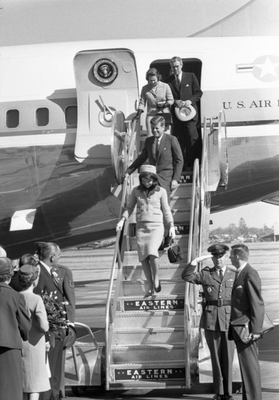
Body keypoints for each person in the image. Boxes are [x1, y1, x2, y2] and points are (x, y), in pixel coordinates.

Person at [181, 244, 236, 400]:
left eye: (221, 256)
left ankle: (229, 392)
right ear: (211, 258)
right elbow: (186, 277)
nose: (218, 259)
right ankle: (219, 392)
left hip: (229, 319)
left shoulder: (234, 274)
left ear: (226, 256)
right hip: (212, 320)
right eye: (215, 257)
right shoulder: (206, 274)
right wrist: (196, 261)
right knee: (216, 358)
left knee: (228, 357)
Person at [117, 165, 176, 297]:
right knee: (143, 258)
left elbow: (166, 209)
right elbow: (130, 207)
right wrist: (122, 220)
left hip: (156, 226)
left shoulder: (161, 191)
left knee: (152, 252)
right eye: (144, 181)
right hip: (142, 227)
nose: (146, 183)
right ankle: (150, 285)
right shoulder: (136, 191)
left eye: (149, 181)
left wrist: (171, 225)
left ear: (154, 179)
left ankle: (156, 278)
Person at [124, 115, 183, 247]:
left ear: (163, 128)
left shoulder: (171, 140)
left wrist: (175, 179)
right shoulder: (149, 141)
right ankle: (156, 237)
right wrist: (129, 171)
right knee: (152, 208)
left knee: (165, 207)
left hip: (166, 178)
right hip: (152, 178)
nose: (154, 131)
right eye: (152, 128)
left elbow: (179, 160)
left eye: (156, 128)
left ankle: (167, 236)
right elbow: (142, 157)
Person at [33, 242, 75, 400]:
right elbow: (40, 301)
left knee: (56, 367)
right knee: (51, 367)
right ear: (52, 257)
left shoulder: (49, 271)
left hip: (56, 328)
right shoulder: (39, 272)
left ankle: (54, 395)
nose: (59, 258)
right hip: (49, 330)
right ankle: (52, 396)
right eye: (58, 255)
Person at [229, 244, 264, 400]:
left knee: (250, 368)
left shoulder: (250, 274)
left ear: (237, 256)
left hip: (247, 329)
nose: (229, 258)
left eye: (231, 255)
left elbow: (257, 303)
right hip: (240, 328)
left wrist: (256, 331)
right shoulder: (241, 273)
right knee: (246, 367)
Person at [0, 257, 31, 400]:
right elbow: (25, 326)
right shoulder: (15, 296)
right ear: (10, 275)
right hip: (9, 345)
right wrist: (24, 335)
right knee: (10, 387)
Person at [19, 264, 50, 400]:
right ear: (34, 280)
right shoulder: (36, 299)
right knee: (35, 384)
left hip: (20, 342)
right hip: (35, 343)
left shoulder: (16, 296)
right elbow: (44, 325)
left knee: (25, 382)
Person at [166, 56, 203, 168]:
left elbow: (198, 93)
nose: (175, 69)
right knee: (178, 140)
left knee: (192, 138)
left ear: (181, 65)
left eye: (177, 66)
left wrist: (190, 101)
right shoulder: (168, 81)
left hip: (190, 115)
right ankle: (181, 165)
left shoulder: (190, 76)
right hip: (177, 116)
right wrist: (175, 101)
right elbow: (168, 97)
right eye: (173, 67)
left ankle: (193, 164)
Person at [133, 67, 174, 136]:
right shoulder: (145, 88)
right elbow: (142, 103)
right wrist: (138, 114)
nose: (152, 82)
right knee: (150, 136)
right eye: (150, 80)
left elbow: (171, 100)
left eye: (154, 80)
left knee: (165, 136)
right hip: (151, 115)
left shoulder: (165, 86)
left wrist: (165, 104)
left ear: (158, 78)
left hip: (164, 114)